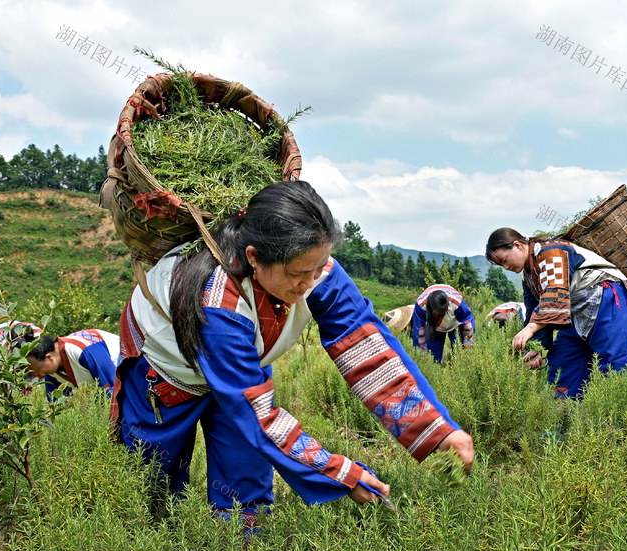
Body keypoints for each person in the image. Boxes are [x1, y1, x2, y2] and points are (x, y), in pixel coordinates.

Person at [111, 181, 474, 525]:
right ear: (254, 258)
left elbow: (368, 350)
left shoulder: (315, 269)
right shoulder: (218, 303)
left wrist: (437, 431)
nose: (309, 284)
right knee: (154, 478)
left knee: (244, 482)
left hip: (242, 368)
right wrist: (339, 473)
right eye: (299, 274)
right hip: (167, 370)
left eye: (318, 268)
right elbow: (259, 418)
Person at [485, 228, 627, 399]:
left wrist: (530, 328)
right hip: (574, 316)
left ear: (517, 245)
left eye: (504, 260)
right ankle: (562, 424)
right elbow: (533, 309)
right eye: (501, 265)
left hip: (607, 300)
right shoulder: (528, 275)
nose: (506, 267)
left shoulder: (550, 251)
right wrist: (537, 348)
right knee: (561, 369)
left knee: (620, 366)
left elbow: (555, 294)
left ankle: (626, 422)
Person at [25, 329, 121, 401]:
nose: (38, 373)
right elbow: (56, 406)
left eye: (38, 369)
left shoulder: (82, 350)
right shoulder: (52, 372)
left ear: (50, 357)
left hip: (125, 365)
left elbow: (114, 387)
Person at [411, 285, 475, 364]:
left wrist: (468, 344)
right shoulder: (421, 305)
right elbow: (418, 331)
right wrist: (422, 354)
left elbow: (468, 322)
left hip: (455, 324)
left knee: (460, 351)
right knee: (432, 355)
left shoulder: (456, 302)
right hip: (433, 326)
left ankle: (460, 369)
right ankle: (434, 370)